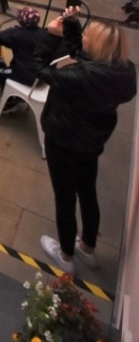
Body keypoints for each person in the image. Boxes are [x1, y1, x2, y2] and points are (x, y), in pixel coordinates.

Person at [35, 14, 136, 273]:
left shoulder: (79, 78)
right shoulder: (124, 72)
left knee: (65, 198)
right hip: (92, 141)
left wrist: (51, 36)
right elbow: (82, 55)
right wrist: (71, 26)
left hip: (63, 140)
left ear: (98, 46)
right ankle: (88, 248)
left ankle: (66, 255)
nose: (83, 37)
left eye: (86, 35)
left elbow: (39, 68)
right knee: (88, 193)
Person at [0, 6, 42, 109]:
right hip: (41, 77)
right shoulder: (44, 33)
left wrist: (14, 29)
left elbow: (1, 37)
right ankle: (17, 97)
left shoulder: (18, 35)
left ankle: (9, 102)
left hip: (24, 75)